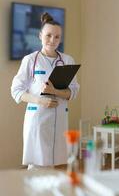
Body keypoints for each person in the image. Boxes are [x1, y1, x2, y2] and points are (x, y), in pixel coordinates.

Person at [11, 12, 80, 170]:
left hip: (59, 121)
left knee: (51, 167)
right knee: (36, 168)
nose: (52, 40)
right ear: (40, 35)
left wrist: (54, 91)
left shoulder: (67, 60)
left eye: (57, 37)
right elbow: (16, 90)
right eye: (48, 35)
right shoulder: (30, 60)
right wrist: (41, 100)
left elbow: (73, 92)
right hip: (38, 120)